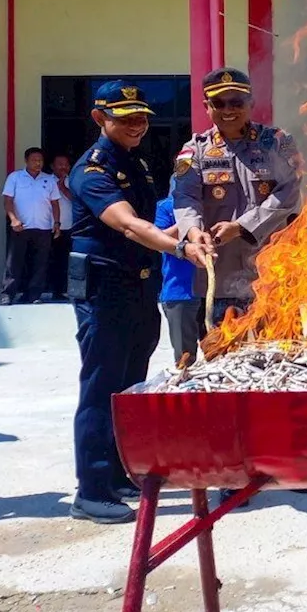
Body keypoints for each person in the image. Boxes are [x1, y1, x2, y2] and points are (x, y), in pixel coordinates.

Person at [66, 82, 213, 523]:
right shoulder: (92, 170)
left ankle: (116, 473)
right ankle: (90, 490)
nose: (137, 125)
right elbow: (129, 226)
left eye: (142, 117)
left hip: (138, 288)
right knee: (101, 386)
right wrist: (180, 250)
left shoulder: (138, 164)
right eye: (125, 118)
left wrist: (189, 235)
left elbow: (154, 228)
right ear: (99, 119)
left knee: (129, 387)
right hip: (104, 291)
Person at [173, 67, 303, 328]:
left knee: (277, 358)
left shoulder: (276, 143)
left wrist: (242, 227)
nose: (228, 109)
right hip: (221, 279)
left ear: (251, 103)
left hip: (272, 275)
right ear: (206, 106)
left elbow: (289, 192)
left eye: (237, 102)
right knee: (223, 358)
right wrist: (192, 232)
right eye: (219, 103)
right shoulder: (195, 151)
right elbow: (185, 198)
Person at [1, 147, 59, 305]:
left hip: (43, 227)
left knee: (40, 263)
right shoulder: (15, 177)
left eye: (40, 160)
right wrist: (13, 219)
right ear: (26, 161)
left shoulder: (49, 180)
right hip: (21, 226)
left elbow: (55, 204)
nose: (38, 163)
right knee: (14, 262)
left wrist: (56, 223)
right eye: (34, 160)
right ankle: (8, 294)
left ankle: (34, 295)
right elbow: (8, 201)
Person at [155, 188, 205, 365]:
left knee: (220, 352)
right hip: (180, 293)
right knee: (185, 359)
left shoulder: (217, 201)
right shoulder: (166, 207)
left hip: (216, 292)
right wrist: (189, 220)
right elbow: (158, 241)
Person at [49, 153, 75, 301]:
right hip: (49, 227)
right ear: (52, 166)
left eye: (66, 164)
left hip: (69, 227)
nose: (63, 167)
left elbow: (78, 201)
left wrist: (63, 189)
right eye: (59, 164)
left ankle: (62, 291)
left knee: (64, 261)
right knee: (47, 260)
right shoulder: (45, 180)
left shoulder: (73, 182)